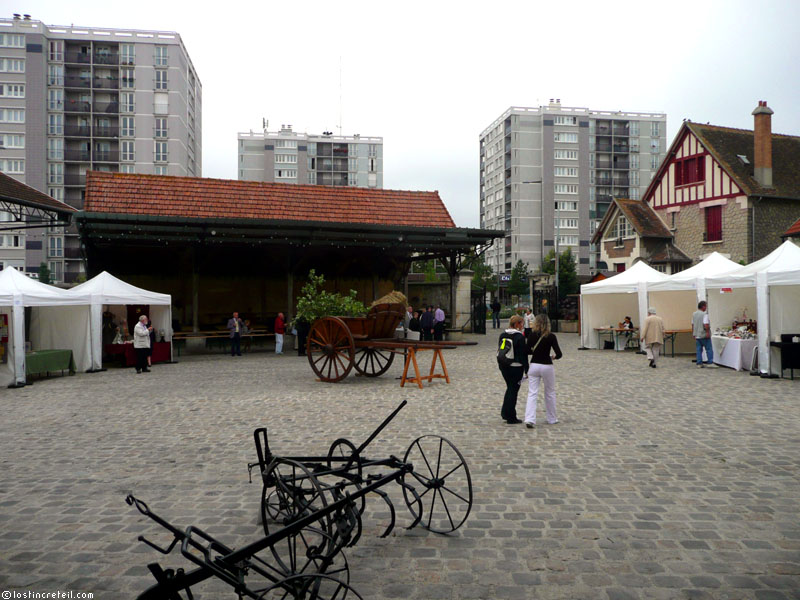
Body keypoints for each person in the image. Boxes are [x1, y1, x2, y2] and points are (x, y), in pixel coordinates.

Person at [524, 314, 562, 428]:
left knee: (532, 393)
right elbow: (559, 354)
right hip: (547, 365)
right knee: (550, 392)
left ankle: (530, 419)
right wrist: (552, 357)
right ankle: (552, 418)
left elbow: (527, 351)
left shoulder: (531, 335)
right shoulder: (551, 336)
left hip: (534, 365)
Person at [498, 314, 528, 424]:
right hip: (516, 366)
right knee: (513, 390)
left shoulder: (503, 334)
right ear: (517, 324)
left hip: (504, 365)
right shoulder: (519, 337)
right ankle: (511, 416)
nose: (522, 326)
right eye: (521, 324)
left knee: (510, 388)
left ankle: (505, 412)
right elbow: (523, 355)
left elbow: (500, 351)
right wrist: (527, 369)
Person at [692, 301, 717, 368]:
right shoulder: (704, 314)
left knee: (699, 350)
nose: (706, 308)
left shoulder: (694, 314)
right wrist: (708, 332)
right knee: (709, 349)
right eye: (706, 306)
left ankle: (699, 363)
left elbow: (693, 324)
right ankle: (710, 362)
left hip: (697, 335)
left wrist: (693, 333)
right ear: (703, 306)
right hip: (704, 334)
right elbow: (706, 324)